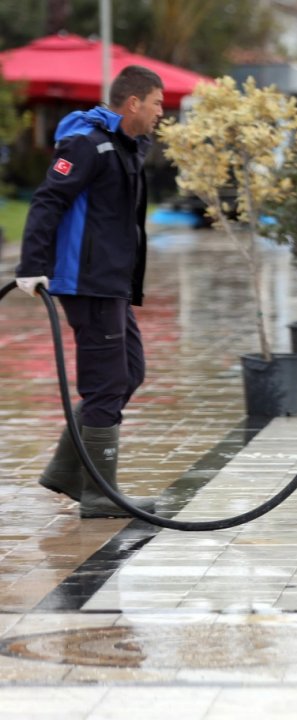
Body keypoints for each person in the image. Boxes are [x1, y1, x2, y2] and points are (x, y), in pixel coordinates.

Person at [14, 66, 165, 518]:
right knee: (105, 385)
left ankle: (66, 471)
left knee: (129, 373)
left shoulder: (122, 145)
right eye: (156, 103)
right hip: (87, 282)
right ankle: (101, 493)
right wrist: (32, 267)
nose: (161, 112)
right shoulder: (88, 144)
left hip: (112, 283)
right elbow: (49, 199)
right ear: (133, 102)